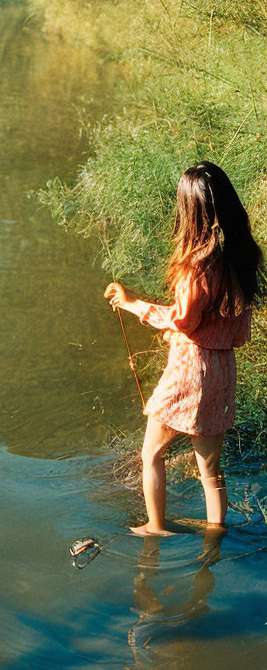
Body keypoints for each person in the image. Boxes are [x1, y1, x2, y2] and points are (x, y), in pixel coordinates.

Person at [104, 161, 262, 535]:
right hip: (223, 367)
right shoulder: (242, 257)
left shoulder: (196, 267)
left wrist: (131, 304)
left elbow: (182, 320)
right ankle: (215, 539)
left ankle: (155, 528)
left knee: (152, 454)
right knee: (211, 469)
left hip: (192, 369)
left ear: (191, 213)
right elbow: (235, 329)